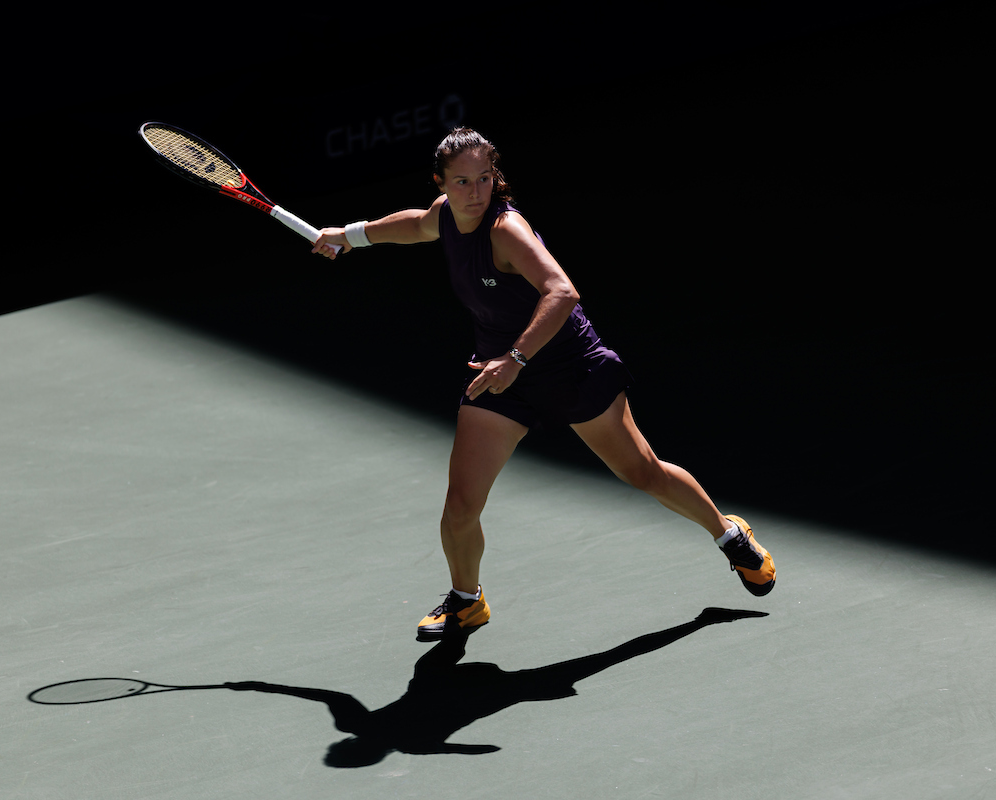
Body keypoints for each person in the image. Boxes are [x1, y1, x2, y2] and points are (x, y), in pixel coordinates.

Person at [311, 128, 775, 642]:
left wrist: (515, 357)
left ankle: (728, 534)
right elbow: (416, 225)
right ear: (441, 181)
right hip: (499, 374)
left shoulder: (505, 230)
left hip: (566, 365)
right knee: (461, 505)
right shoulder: (445, 213)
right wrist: (348, 235)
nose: (475, 191)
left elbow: (562, 291)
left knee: (642, 472)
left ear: (495, 176)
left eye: (484, 178)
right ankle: (467, 601)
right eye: (462, 181)